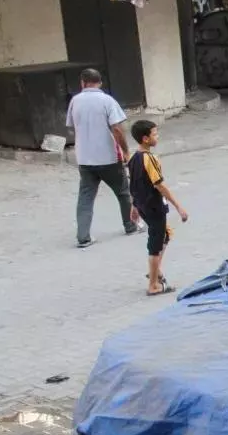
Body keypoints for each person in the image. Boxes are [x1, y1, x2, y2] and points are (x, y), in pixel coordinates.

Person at [66, 68, 141, 248]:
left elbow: (71, 126)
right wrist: (125, 150)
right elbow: (117, 129)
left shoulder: (74, 101)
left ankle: (83, 236)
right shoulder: (107, 101)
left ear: (83, 82)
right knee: (123, 192)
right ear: (100, 82)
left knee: (85, 197)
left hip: (85, 159)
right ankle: (130, 225)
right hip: (108, 157)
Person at [127, 120, 188, 296]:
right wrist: (179, 207)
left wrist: (134, 206)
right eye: (154, 134)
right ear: (145, 139)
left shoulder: (132, 158)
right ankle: (153, 284)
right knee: (156, 243)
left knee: (165, 235)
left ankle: (155, 271)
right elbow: (160, 185)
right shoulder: (150, 159)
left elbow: (134, 185)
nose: (157, 137)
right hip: (153, 206)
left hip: (143, 205)